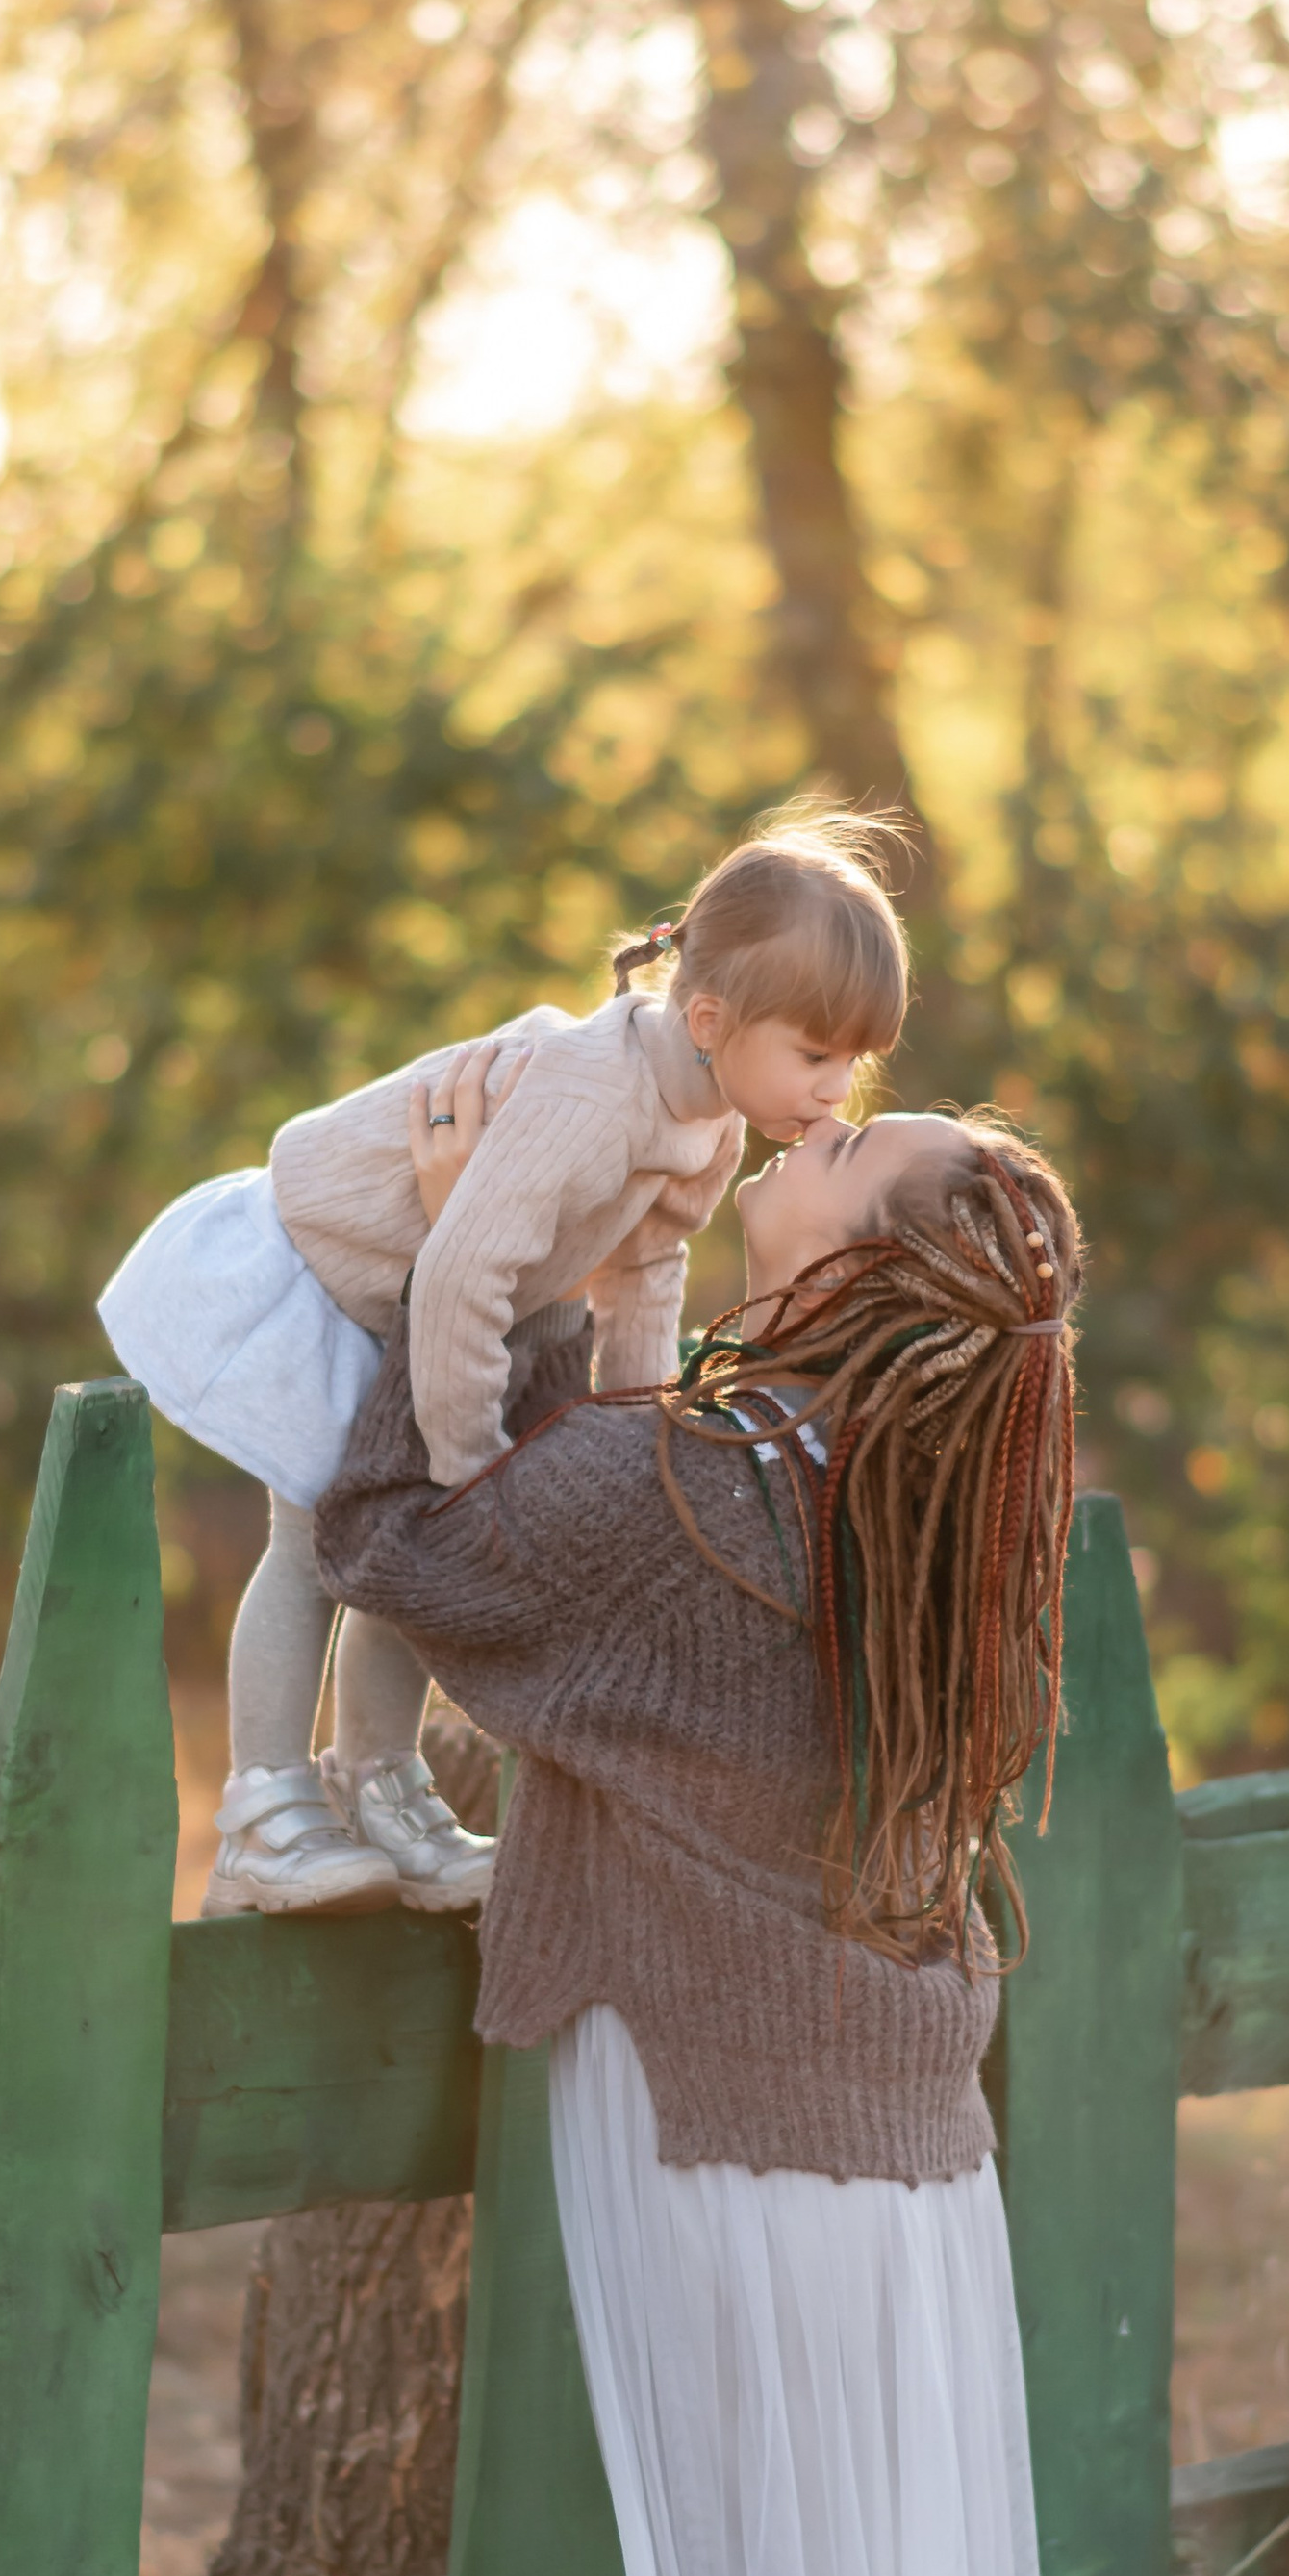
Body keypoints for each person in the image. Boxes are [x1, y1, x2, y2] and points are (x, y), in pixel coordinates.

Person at [316, 1085, 1080, 2576]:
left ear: (870, 1259)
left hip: (729, 2125)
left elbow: (395, 1539)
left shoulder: (691, 1495)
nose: (815, 1129)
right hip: (897, 2132)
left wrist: (463, 1250)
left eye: (864, 1144)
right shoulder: (927, 1489)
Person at [96, 805, 909, 1919]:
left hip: (417, 1313)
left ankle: (380, 1783)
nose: (833, 1086)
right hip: (322, 1272)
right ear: (711, 1016)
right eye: (814, 1053)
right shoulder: (586, 1090)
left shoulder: (708, 1123)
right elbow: (470, 1271)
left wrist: (630, 1440)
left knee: (410, 1563)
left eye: (853, 1060)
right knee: (317, 1540)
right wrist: (472, 1460)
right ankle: (263, 1813)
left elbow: (646, 1273)